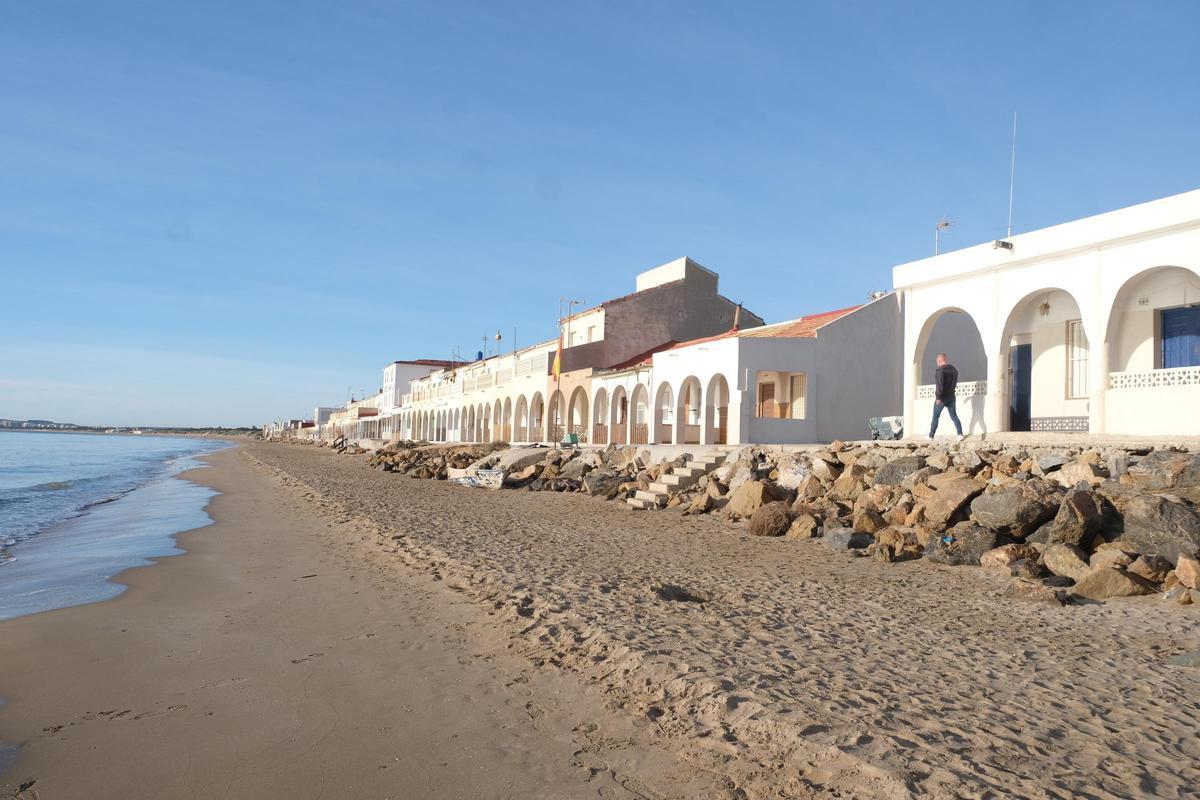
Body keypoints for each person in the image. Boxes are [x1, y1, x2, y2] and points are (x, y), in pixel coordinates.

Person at [930, 353, 965, 441]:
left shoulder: (940, 371)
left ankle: (931, 435)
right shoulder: (954, 370)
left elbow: (939, 386)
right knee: (954, 415)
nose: (937, 364)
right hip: (951, 396)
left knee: (935, 416)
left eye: (937, 362)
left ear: (939, 360)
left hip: (942, 398)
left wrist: (938, 398)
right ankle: (960, 434)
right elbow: (954, 384)